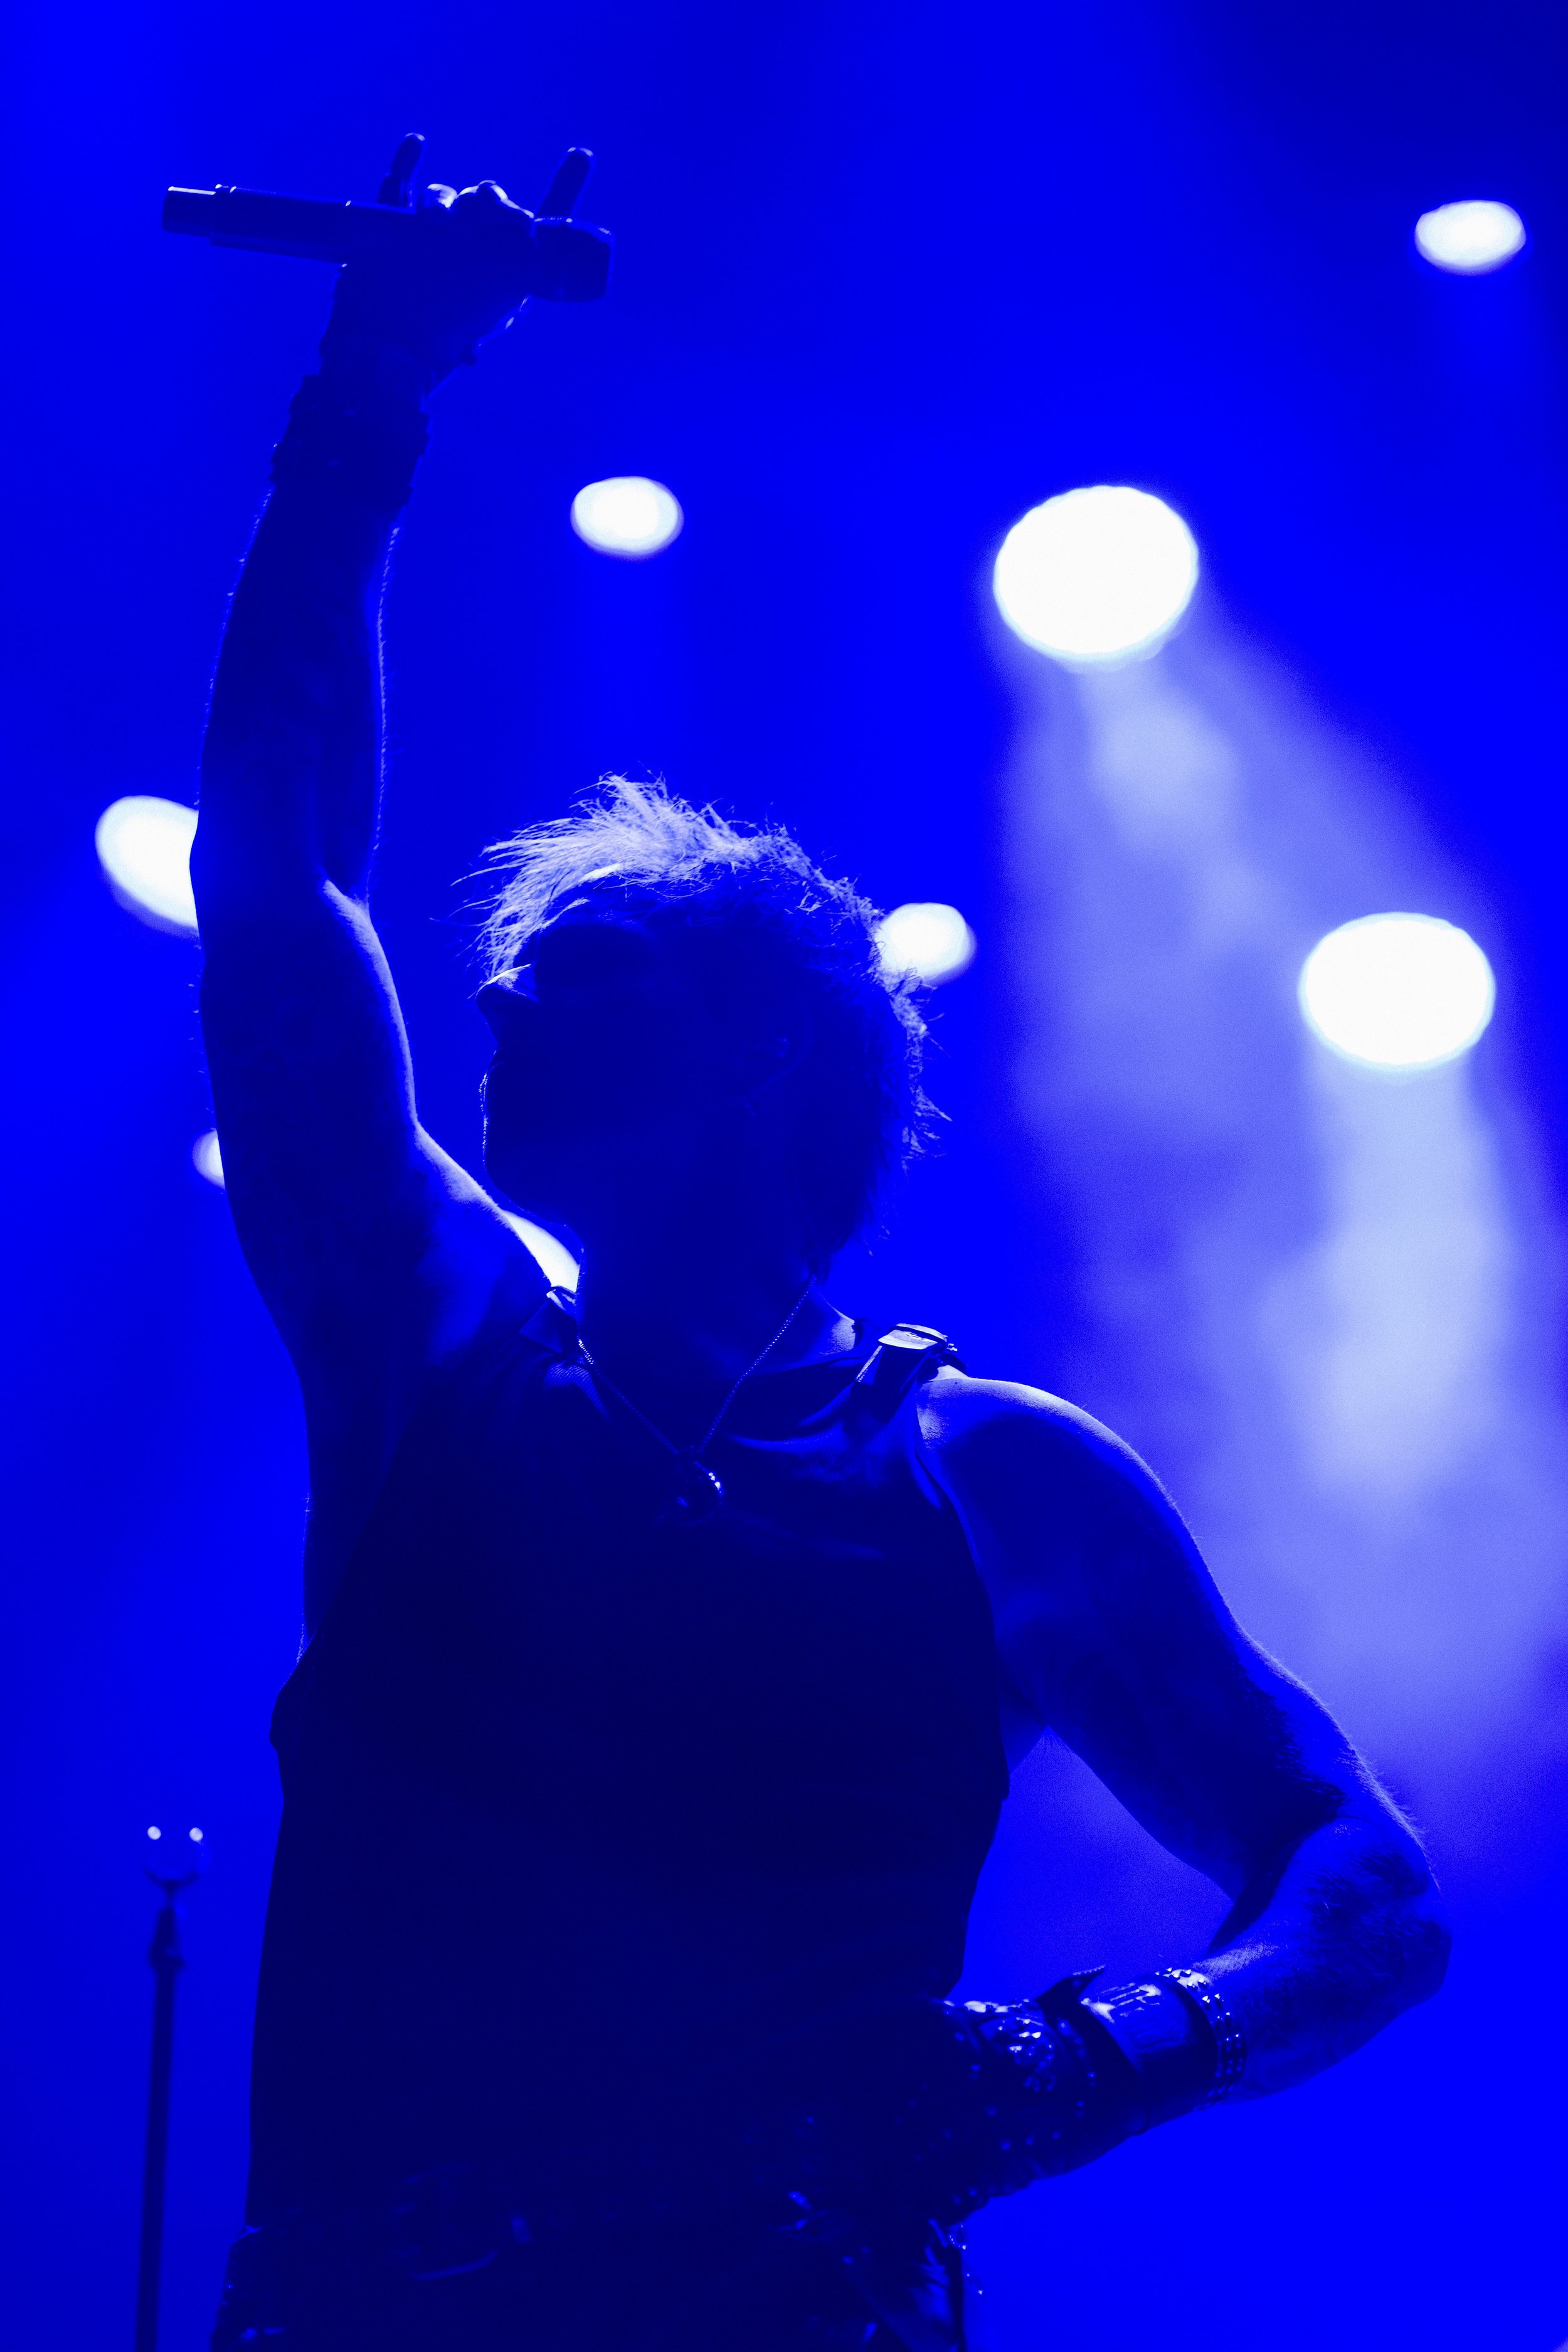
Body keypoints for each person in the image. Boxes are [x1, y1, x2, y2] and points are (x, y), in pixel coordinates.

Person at [193, 135, 1449, 2352]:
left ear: (768, 1048)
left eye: (580, 981)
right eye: (504, 980)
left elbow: (1363, 1890)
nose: (499, 1010)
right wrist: (369, 385)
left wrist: (1092, 2062)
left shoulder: (994, 1479)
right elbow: (278, 879)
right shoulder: (433, 1334)